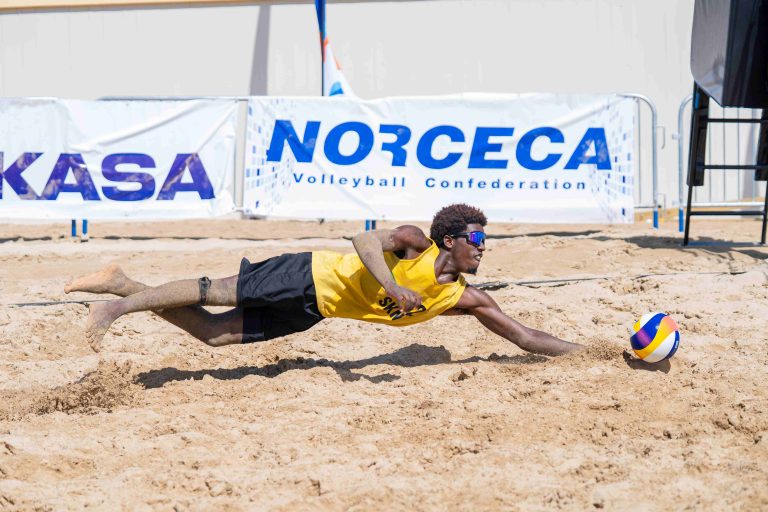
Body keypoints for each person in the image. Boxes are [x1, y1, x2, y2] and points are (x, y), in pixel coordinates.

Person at [66, 204, 582, 356]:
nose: (483, 246)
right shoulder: (413, 243)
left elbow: (526, 336)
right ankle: (116, 307)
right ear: (450, 240)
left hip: (319, 309)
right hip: (308, 273)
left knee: (214, 334)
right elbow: (361, 241)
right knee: (216, 289)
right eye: (476, 238)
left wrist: (594, 352)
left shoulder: (464, 298)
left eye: (485, 239)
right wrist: (392, 286)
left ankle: (122, 284)